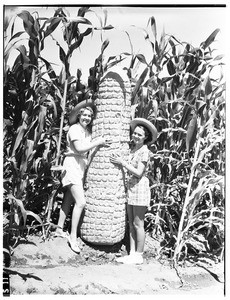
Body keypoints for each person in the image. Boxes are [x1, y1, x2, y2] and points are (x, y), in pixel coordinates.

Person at [55, 99, 111, 253]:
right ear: (78, 116)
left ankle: (59, 229)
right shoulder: (74, 129)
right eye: (84, 115)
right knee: (81, 202)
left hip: (80, 165)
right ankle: (73, 238)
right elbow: (79, 149)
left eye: (89, 116)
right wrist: (98, 142)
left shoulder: (87, 132)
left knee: (69, 198)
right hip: (72, 163)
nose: (86, 118)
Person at [110, 118, 158, 264]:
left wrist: (122, 163)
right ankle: (132, 253)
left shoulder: (144, 151)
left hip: (139, 188)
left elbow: (138, 172)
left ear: (146, 138)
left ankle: (139, 255)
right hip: (131, 188)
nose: (136, 136)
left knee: (138, 224)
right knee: (131, 223)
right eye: (135, 133)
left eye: (140, 135)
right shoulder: (133, 149)